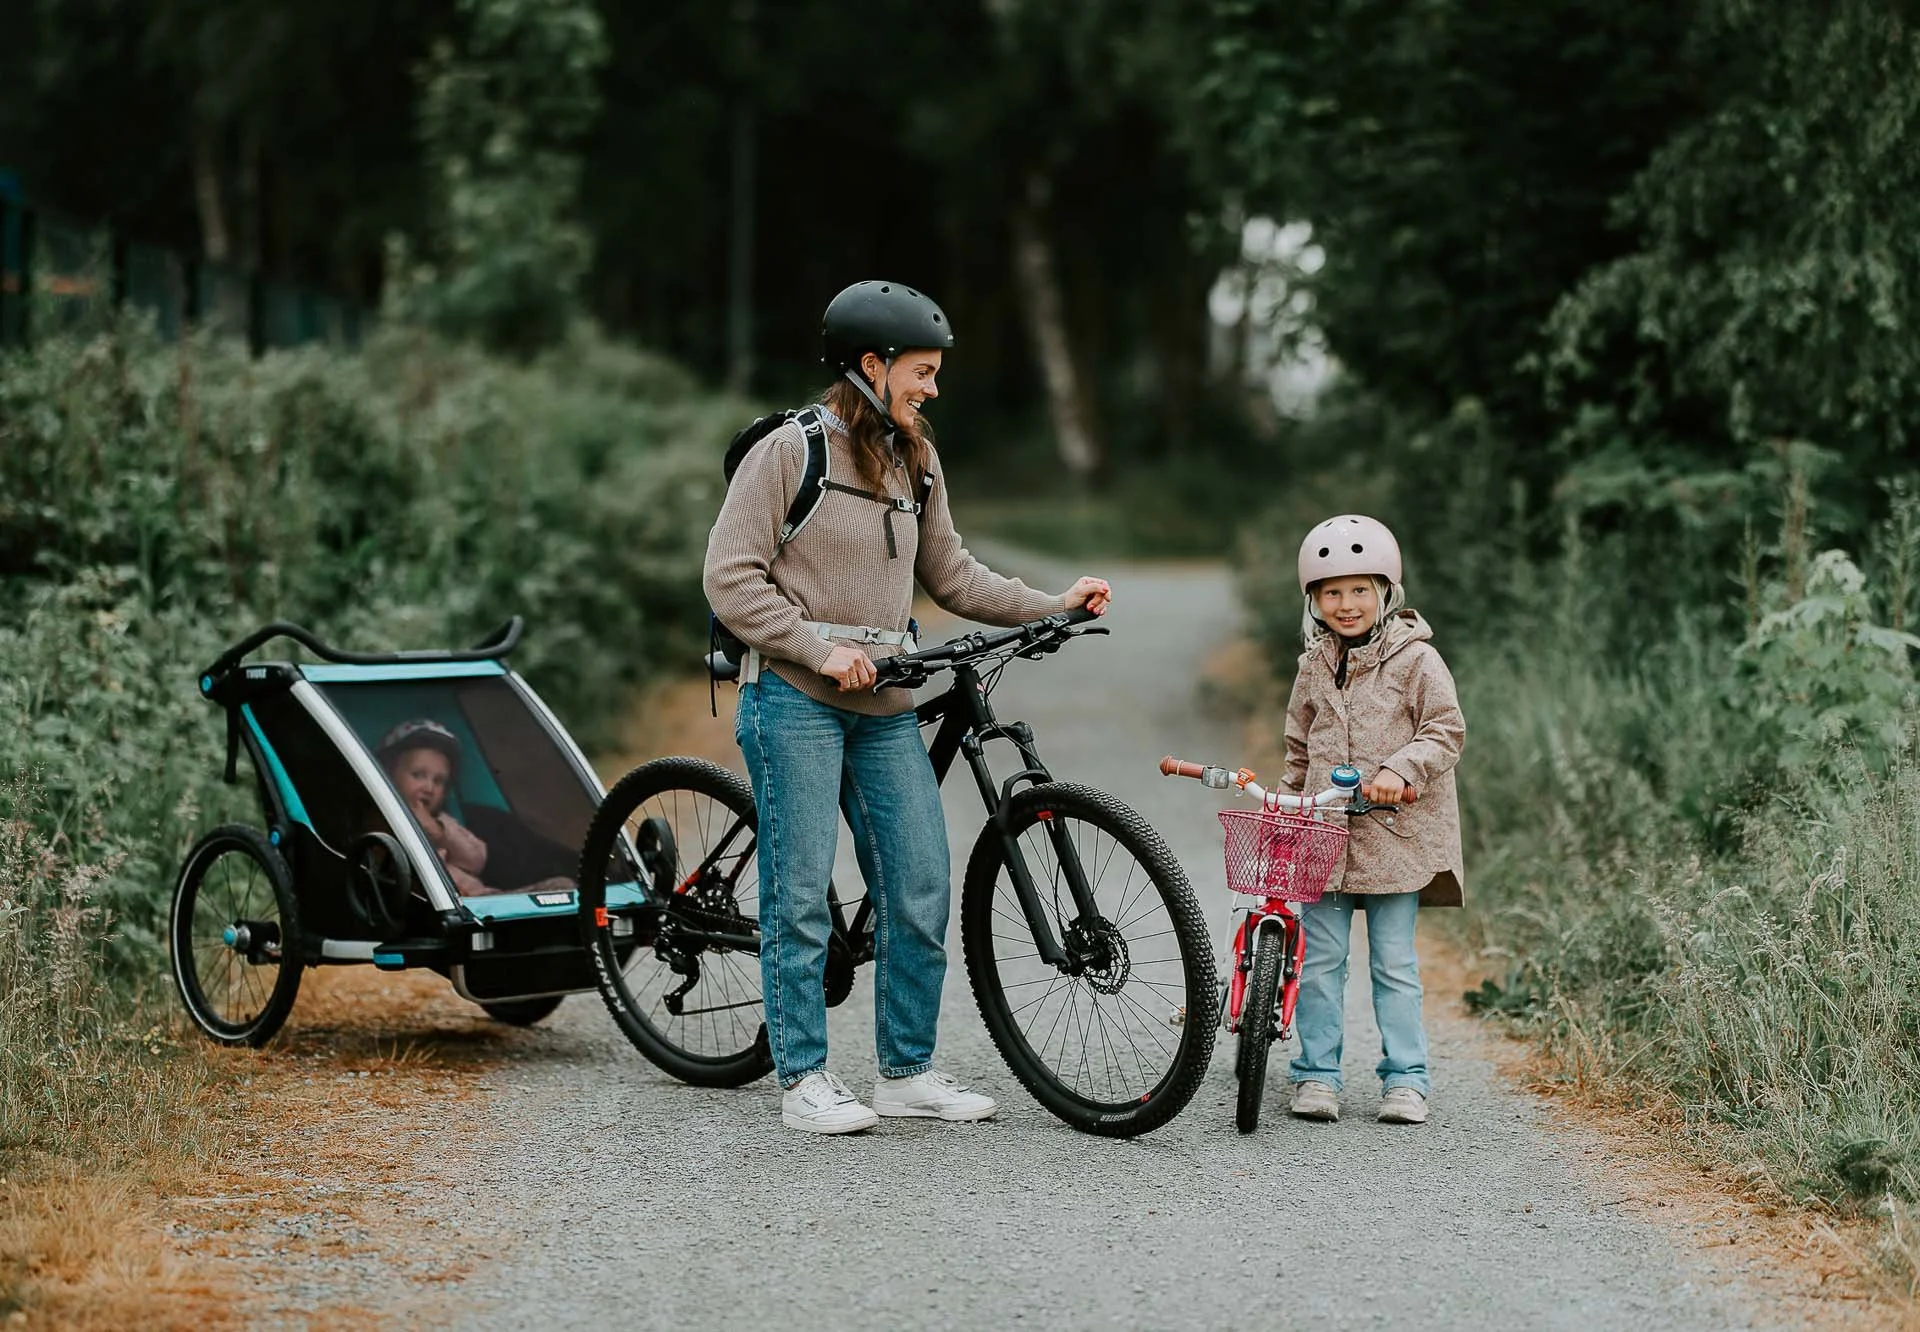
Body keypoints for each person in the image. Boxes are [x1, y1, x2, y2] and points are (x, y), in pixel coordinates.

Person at [703, 279, 1112, 1135]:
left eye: (933, 373)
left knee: (919, 886)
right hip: (792, 699)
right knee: (800, 892)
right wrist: (819, 648)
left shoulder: (914, 462)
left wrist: (1053, 602)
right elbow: (730, 578)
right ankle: (805, 1079)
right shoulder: (790, 451)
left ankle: (906, 1072)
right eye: (920, 371)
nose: (931, 387)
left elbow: (954, 575)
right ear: (869, 365)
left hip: (884, 700)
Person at [1279, 515, 1465, 1126]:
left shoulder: (1418, 661)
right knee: (1321, 961)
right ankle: (1316, 1077)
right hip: (1326, 840)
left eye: (1360, 589)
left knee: (1394, 964)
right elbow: (1299, 749)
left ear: (1387, 592)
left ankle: (1407, 1080)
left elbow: (1445, 730)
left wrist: (1402, 769)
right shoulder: (1313, 665)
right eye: (1331, 592)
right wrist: (1288, 809)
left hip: (1396, 838)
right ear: (1314, 601)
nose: (1347, 603)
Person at [375, 718, 531, 898]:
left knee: (562, 885)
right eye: (418, 775)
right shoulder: (382, 820)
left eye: (438, 781)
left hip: (483, 901)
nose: (429, 788)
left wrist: (442, 834)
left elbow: (477, 858)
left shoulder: (444, 821)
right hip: (444, 904)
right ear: (387, 773)